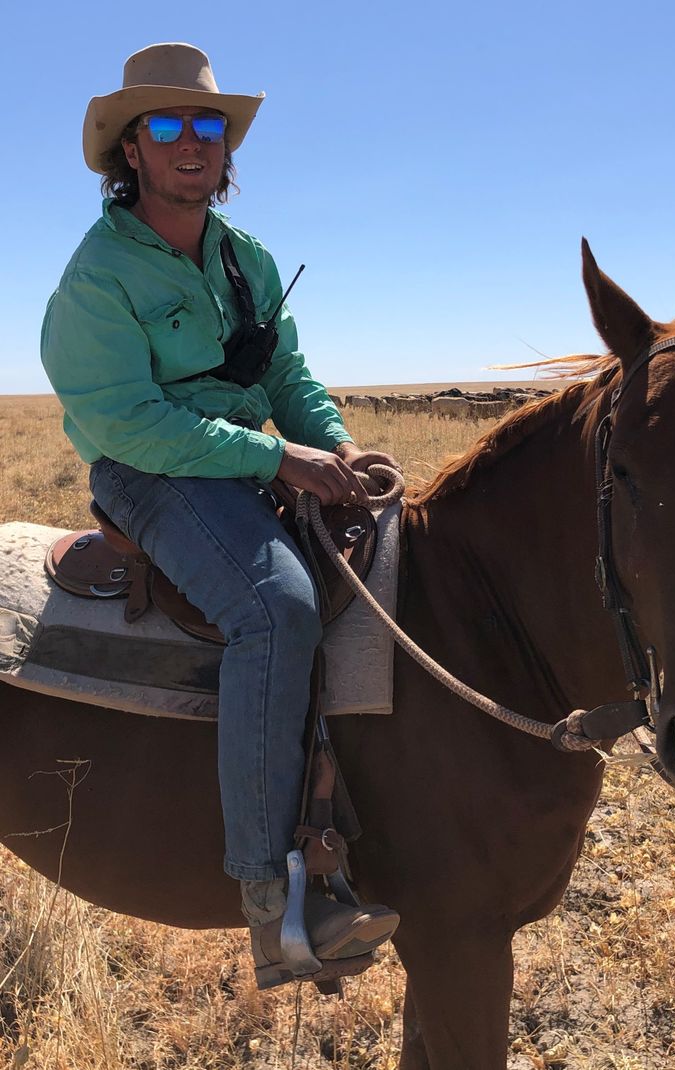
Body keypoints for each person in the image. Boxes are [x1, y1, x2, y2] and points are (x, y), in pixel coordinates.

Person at [40, 42, 400, 989]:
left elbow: (287, 376)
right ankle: (271, 898)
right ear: (132, 151)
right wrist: (279, 455)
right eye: (167, 125)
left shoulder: (250, 260)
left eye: (208, 125)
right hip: (151, 472)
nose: (192, 142)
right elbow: (133, 422)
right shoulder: (99, 277)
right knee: (276, 608)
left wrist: (338, 445)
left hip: (242, 465)